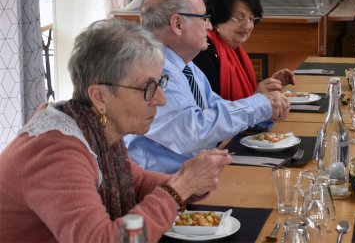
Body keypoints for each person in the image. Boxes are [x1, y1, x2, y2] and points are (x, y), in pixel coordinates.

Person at [0, 19, 232, 242]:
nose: (161, 100)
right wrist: (180, 188)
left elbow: (136, 182)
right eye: (148, 88)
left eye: (160, 83)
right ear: (100, 96)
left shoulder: (94, 127)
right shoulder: (55, 155)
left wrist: (191, 184)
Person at [125, 0, 290, 173]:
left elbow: (215, 108)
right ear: (177, 24)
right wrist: (259, 105)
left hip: (195, 176)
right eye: (204, 18)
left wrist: (265, 113)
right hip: (163, 187)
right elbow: (192, 132)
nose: (210, 26)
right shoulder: (153, 70)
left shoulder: (186, 66)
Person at [193, 0, 295, 130]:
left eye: (251, 18)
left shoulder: (235, 51)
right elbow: (211, 113)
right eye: (239, 17)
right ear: (218, 16)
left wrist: (270, 88)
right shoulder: (204, 52)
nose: (247, 26)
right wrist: (258, 99)